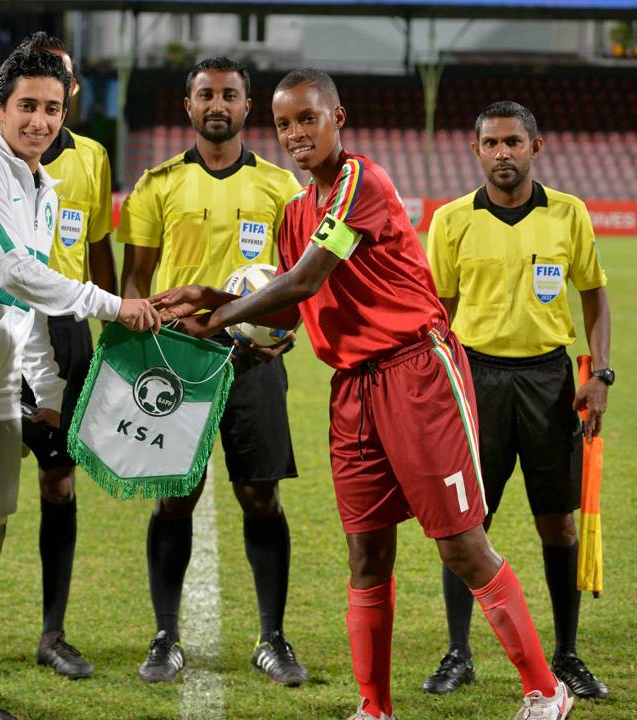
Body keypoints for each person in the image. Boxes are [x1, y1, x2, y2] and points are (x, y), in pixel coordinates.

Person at [155, 69, 575, 720]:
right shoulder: (295, 213)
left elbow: (305, 278)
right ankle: (374, 708)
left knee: (461, 543)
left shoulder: (361, 183)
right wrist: (217, 301)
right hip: (352, 388)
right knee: (366, 550)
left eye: (308, 119)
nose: (296, 134)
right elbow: (293, 307)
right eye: (286, 123)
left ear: (337, 118)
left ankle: (546, 691)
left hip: (417, 373)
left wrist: (217, 317)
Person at [0, 47, 159, 720]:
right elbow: (13, 270)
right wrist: (114, 305)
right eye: (26, 105)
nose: (40, 120)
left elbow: (28, 308)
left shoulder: (45, 192)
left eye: (52, 108)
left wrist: (45, 391)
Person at [118, 57, 308, 686]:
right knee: (176, 499)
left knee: (260, 495)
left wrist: (282, 336)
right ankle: (165, 636)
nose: (217, 104)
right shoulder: (157, 185)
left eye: (229, 94)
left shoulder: (284, 190)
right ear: (188, 105)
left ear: (247, 106)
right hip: (180, 364)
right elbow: (135, 282)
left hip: (251, 363)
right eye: (206, 95)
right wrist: (148, 338)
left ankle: (273, 638)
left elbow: (303, 285)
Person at [422, 100, 610, 700]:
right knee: (466, 522)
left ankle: (568, 655)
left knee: (557, 522)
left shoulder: (568, 214)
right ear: (475, 150)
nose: (503, 152)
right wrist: (433, 383)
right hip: (475, 379)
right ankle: (458, 653)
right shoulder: (451, 221)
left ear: (536, 147)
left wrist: (599, 373)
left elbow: (596, 297)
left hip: (550, 383)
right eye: (492, 143)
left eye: (513, 142)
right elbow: (437, 312)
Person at [11, 31, 117, 680]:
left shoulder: (94, 159)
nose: (52, 98)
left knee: (59, 480)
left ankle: (53, 632)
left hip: (69, 331)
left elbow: (99, 246)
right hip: (1, 333)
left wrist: (106, 329)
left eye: (63, 83)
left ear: (71, 91)